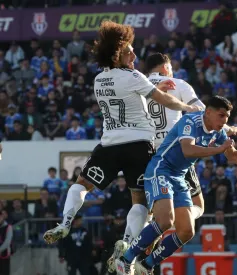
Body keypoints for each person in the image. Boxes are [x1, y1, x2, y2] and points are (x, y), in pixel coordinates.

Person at [43, 20, 201, 247]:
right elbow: (161, 100)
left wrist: (150, 90)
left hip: (109, 144)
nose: (134, 56)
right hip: (139, 145)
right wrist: (187, 107)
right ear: (117, 55)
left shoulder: (99, 80)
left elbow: (127, 99)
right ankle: (126, 242)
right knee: (140, 201)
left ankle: (65, 222)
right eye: (129, 52)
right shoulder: (134, 77)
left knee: (81, 184)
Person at [106, 52, 237, 272]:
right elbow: (202, 112)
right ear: (165, 68)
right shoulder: (178, 84)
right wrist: (228, 129)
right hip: (173, 155)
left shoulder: (135, 84)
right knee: (196, 207)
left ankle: (131, 240)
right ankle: (142, 248)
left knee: (141, 203)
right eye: (170, 68)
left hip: (142, 152)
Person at [116, 96, 237, 275]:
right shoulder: (190, 121)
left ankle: (146, 265)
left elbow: (232, 155)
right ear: (208, 112)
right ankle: (126, 259)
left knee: (186, 231)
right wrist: (219, 148)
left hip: (179, 177)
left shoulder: (218, 131)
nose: (224, 121)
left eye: (227, 117)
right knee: (165, 220)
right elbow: (188, 149)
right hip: (161, 170)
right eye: (221, 115)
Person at [0, 210, 13, 275]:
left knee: (5, 272)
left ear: (2, 216)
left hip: (5, 254)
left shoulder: (8, 227)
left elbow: (7, 242)